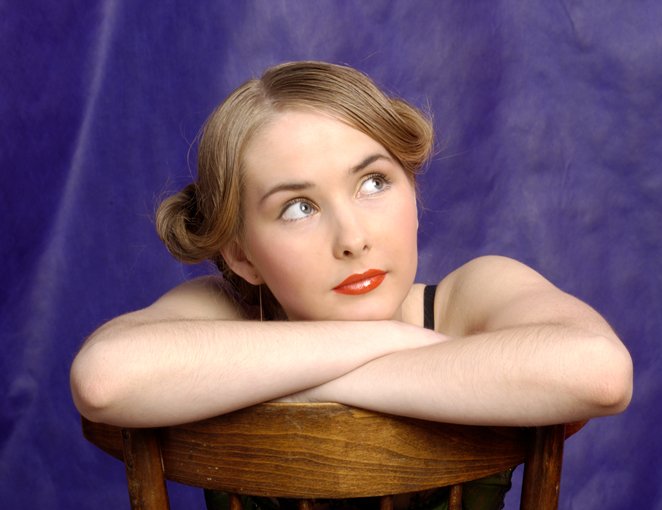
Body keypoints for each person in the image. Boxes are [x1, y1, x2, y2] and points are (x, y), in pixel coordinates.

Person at [70, 61, 633, 510]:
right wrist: (396, 345)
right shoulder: (222, 310)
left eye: (373, 182)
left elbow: (601, 373)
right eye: (297, 207)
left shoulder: (472, 294)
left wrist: (309, 380)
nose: (352, 238)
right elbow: (104, 381)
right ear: (242, 255)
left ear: (412, 193)